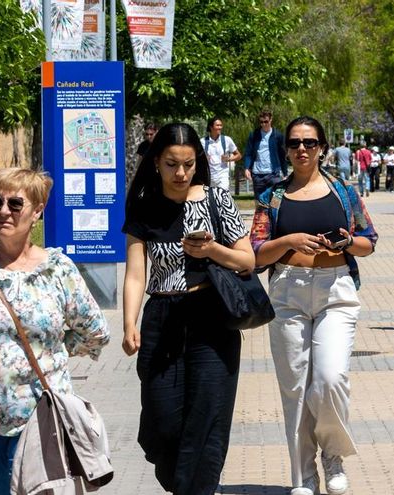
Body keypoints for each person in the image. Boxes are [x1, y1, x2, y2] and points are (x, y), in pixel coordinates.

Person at [0, 168, 109, 495]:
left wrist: (54, 348)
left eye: (15, 204)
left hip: (41, 417)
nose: (3, 211)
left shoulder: (58, 269)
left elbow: (96, 331)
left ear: (37, 211)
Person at [122, 123, 255, 494]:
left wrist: (212, 250)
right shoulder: (144, 205)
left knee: (206, 421)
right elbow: (135, 274)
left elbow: (247, 260)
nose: (180, 173)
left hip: (212, 317)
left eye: (188, 164)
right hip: (161, 319)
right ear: (156, 164)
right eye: (171, 164)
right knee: (162, 424)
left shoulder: (217, 200)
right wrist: (129, 323)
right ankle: (183, 484)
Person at [250, 116, 378, 495]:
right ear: (285, 149)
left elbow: (369, 240)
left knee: (329, 378)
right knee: (294, 389)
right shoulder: (271, 196)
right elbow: (256, 254)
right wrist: (288, 240)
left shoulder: (344, 191)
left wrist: (346, 244)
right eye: (293, 143)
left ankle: (333, 455)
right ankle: (303, 477)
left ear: (322, 146)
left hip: (335, 291)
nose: (301, 149)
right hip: (287, 292)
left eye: (309, 142)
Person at [244, 110, 287, 198]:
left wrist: (285, 173)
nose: (263, 124)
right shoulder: (254, 135)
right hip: (257, 175)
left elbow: (282, 156)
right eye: (261, 122)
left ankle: (274, 212)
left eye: (266, 121)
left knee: (276, 200)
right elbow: (248, 153)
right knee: (260, 203)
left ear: (271, 120)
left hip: (273, 174)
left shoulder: (277, 135)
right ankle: (261, 212)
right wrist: (247, 168)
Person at [200, 117, 242, 191]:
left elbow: (238, 155)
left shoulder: (227, 140)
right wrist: (203, 158)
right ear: (211, 127)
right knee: (210, 200)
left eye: (221, 125)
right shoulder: (203, 142)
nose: (220, 127)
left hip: (222, 176)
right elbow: (195, 157)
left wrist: (229, 159)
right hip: (208, 177)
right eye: (217, 125)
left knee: (222, 197)